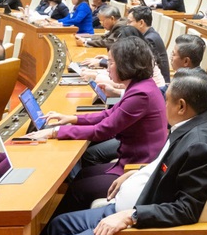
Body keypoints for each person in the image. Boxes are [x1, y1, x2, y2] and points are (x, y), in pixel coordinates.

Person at [28, 69, 207, 235]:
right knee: (57, 225)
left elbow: (187, 209)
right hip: (126, 207)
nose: (163, 105)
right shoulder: (196, 122)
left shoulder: (201, 145)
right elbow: (167, 166)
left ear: (182, 106)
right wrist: (140, 172)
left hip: (136, 232)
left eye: (167, 100)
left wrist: (131, 216)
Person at [29, 37, 168, 214]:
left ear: (126, 65)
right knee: (82, 175)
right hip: (130, 161)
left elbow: (103, 130)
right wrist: (71, 118)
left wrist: (54, 132)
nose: (108, 67)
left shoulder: (141, 94)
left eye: (111, 62)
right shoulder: (140, 86)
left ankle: (60, 227)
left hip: (136, 169)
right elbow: (108, 114)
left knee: (78, 190)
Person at [126, 6, 171, 86]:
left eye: (129, 22)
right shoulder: (149, 34)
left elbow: (139, 67)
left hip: (159, 86)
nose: (127, 25)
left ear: (141, 23)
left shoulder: (149, 39)